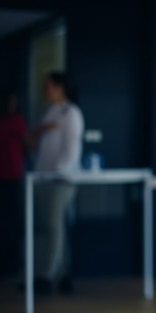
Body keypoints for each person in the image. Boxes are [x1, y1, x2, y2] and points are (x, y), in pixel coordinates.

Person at [30, 71, 84, 294]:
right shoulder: (49, 113)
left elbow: (70, 151)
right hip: (43, 178)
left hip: (61, 180)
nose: (45, 90)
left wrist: (55, 171)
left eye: (48, 86)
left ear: (59, 87)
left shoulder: (71, 112)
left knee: (54, 226)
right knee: (50, 227)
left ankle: (47, 275)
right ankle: (63, 275)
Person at [0, 89, 28, 277]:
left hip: (12, 176)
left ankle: (11, 264)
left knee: (11, 221)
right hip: (4, 175)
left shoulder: (17, 120)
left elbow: (27, 144)